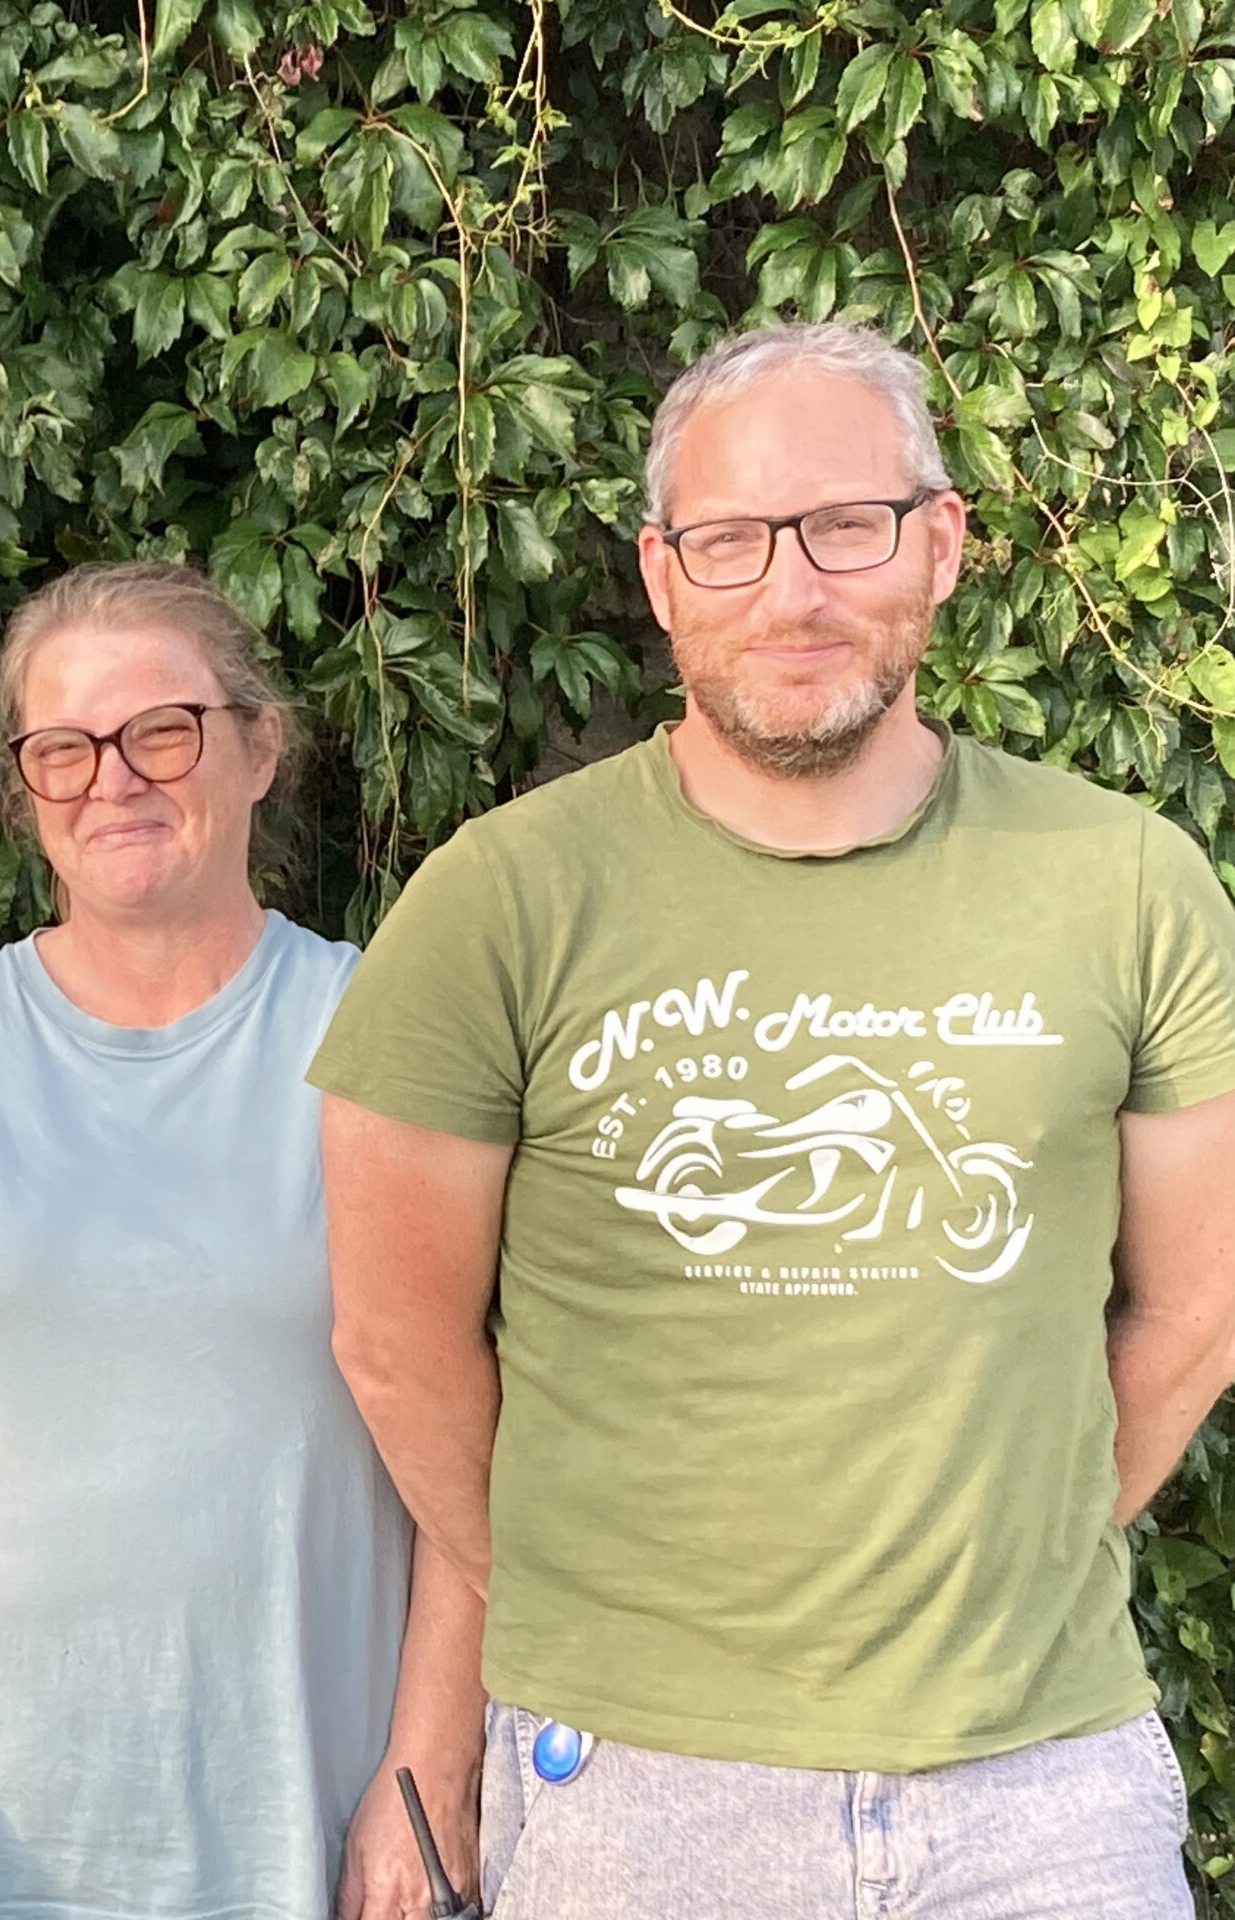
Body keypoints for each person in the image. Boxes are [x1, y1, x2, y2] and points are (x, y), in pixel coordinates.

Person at [312, 320, 1235, 1918]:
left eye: (847, 525)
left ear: (941, 543)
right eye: (732, 540)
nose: (792, 591)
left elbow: (1198, 1305)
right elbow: (396, 1344)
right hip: (633, 1788)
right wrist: (584, 1607)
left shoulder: (1129, 881)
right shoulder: (499, 901)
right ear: (662, 576)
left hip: (1040, 1786)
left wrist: (1020, 1550)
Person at [0, 560, 483, 1920]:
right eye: (61, 749)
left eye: (161, 732)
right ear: (23, 789)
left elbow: (472, 1436)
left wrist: (430, 1768)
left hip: (314, 1826)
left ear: (260, 748)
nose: (111, 781)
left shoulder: (382, 1042)